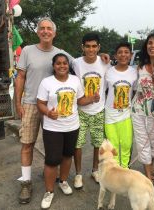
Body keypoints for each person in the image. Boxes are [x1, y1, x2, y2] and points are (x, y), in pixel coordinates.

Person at [15, 17, 74, 204]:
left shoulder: (61, 54)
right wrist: (18, 103)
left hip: (53, 107)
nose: (46, 31)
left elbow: (81, 63)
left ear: (54, 33)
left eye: (50, 28)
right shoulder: (27, 51)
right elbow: (20, 77)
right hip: (31, 104)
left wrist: (103, 58)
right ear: (38, 31)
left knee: (52, 145)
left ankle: (50, 173)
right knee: (27, 144)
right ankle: (26, 182)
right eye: (43, 28)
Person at [37, 53, 99, 209]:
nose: (62, 66)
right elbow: (40, 103)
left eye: (65, 63)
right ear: (54, 66)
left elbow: (80, 100)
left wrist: (92, 98)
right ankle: (49, 191)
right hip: (53, 128)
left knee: (67, 155)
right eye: (58, 63)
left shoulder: (75, 80)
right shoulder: (47, 82)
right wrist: (48, 112)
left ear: (68, 65)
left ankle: (63, 181)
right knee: (52, 160)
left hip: (72, 126)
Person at [72, 33, 110, 189]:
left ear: (99, 47)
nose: (91, 49)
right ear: (82, 47)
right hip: (80, 110)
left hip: (99, 110)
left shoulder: (105, 63)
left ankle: (95, 170)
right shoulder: (75, 63)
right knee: (78, 144)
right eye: (87, 46)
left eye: (94, 46)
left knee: (97, 144)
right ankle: (78, 174)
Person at [131, 33, 154, 181]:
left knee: (153, 143)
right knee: (142, 142)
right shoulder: (139, 67)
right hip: (138, 110)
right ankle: (147, 175)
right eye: (150, 43)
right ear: (146, 46)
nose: (153, 46)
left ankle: (150, 166)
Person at [104, 42, 137, 168]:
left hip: (126, 115)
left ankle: (124, 169)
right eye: (120, 52)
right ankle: (115, 170)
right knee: (112, 146)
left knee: (126, 144)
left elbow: (134, 92)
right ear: (115, 56)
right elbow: (104, 91)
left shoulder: (134, 72)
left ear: (130, 55)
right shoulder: (108, 72)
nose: (123, 55)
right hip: (110, 115)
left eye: (126, 52)